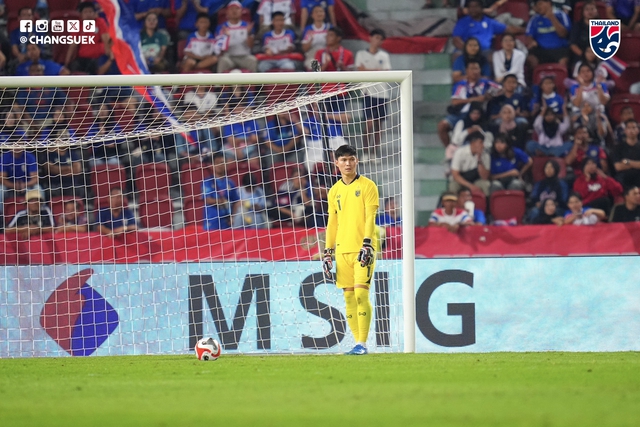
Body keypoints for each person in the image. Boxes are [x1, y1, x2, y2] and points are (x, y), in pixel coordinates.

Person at [322, 145, 379, 356]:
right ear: (336, 163)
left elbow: (370, 217)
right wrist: (327, 252)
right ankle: (357, 344)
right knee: (348, 298)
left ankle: (363, 344)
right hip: (341, 251)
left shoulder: (368, 186)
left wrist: (367, 243)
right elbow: (332, 223)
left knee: (361, 296)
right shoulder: (334, 190)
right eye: (343, 160)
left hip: (362, 250)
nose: (347, 163)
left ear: (357, 161)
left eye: (351, 159)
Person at [438, 60, 498, 147]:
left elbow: (502, 89)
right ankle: (450, 151)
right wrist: (473, 99)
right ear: (466, 71)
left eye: (477, 69)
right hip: (461, 113)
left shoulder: (486, 82)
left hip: (479, 114)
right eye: (472, 69)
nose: (475, 71)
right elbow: (454, 101)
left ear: (480, 70)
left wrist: (490, 96)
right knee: (442, 125)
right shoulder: (460, 85)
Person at [355, 29, 391, 160]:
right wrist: (376, 70)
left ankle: (374, 153)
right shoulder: (361, 54)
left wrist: (369, 70)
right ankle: (365, 152)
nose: (377, 41)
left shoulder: (384, 56)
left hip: (382, 93)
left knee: (378, 125)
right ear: (370, 38)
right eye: (376, 37)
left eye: (380, 38)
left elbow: (385, 72)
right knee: (368, 123)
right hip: (368, 92)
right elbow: (360, 70)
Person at [451, 0, 516, 57]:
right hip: (466, 50)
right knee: (457, 55)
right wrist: (468, 49)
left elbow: (507, 29)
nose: (473, 9)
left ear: (481, 8)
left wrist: (524, 30)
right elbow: (456, 40)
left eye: (476, 7)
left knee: (493, 57)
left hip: (485, 51)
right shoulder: (462, 22)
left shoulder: (489, 22)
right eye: (470, 7)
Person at [65, 2, 111, 74]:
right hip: (81, 59)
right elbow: (73, 44)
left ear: (95, 13)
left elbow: (106, 40)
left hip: (98, 57)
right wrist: (67, 61)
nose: (88, 14)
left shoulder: (100, 22)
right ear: (80, 14)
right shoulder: (76, 24)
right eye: (85, 12)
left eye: (91, 11)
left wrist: (110, 55)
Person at [525, 0, 572, 69]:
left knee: (564, 60)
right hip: (541, 49)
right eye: (537, 5)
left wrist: (551, 17)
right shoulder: (534, 19)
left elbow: (563, 34)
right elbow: (529, 35)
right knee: (531, 59)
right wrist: (532, 41)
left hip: (559, 49)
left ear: (549, 3)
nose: (538, 7)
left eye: (540, 4)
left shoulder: (561, 15)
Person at [216, 0, 258, 73]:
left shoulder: (247, 26)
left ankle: (253, 84)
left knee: (253, 60)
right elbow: (218, 48)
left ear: (241, 11)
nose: (234, 11)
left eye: (237, 9)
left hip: (244, 56)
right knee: (222, 61)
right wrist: (225, 37)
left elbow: (251, 46)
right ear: (227, 12)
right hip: (229, 57)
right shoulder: (221, 27)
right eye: (232, 9)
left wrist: (248, 33)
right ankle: (218, 84)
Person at [202, 153, 240, 230]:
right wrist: (221, 201)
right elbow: (207, 199)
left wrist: (233, 216)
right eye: (217, 163)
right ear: (212, 165)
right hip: (212, 221)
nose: (220, 165)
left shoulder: (230, 183)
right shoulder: (208, 182)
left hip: (226, 221)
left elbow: (236, 201)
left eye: (222, 162)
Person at [449, 131, 491, 196]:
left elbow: (485, 177)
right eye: (480, 142)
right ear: (472, 142)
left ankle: (486, 205)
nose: (483, 145)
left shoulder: (486, 155)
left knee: (486, 184)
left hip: (476, 180)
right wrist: (470, 186)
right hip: (461, 180)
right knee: (453, 186)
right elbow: (455, 175)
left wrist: (479, 160)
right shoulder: (459, 152)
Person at [0, 148, 41, 214]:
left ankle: (41, 213)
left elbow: (35, 179)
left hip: (27, 186)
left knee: (38, 188)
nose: (17, 147)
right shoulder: (5, 157)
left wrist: (24, 185)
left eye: (19, 144)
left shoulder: (29, 156)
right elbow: (2, 179)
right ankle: (1, 215)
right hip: (9, 186)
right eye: (15, 144)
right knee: (1, 190)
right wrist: (14, 186)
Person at [301, 5, 331, 71]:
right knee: (314, 66)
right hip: (312, 55)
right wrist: (311, 40)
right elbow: (304, 49)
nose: (319, 14)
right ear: (312, 15)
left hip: (327, 54)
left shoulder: (329, 28)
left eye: (321, 11)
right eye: (316, 12)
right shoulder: (308, 29)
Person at [612, 119, 640, 188]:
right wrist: (636, 164)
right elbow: (618, 167)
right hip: (624, 180)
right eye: (629, 128)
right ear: (625, 131)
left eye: (633, 127)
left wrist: (628, 162)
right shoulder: (618, 147)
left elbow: (623, 164)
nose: (631, 130)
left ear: (638, 130)